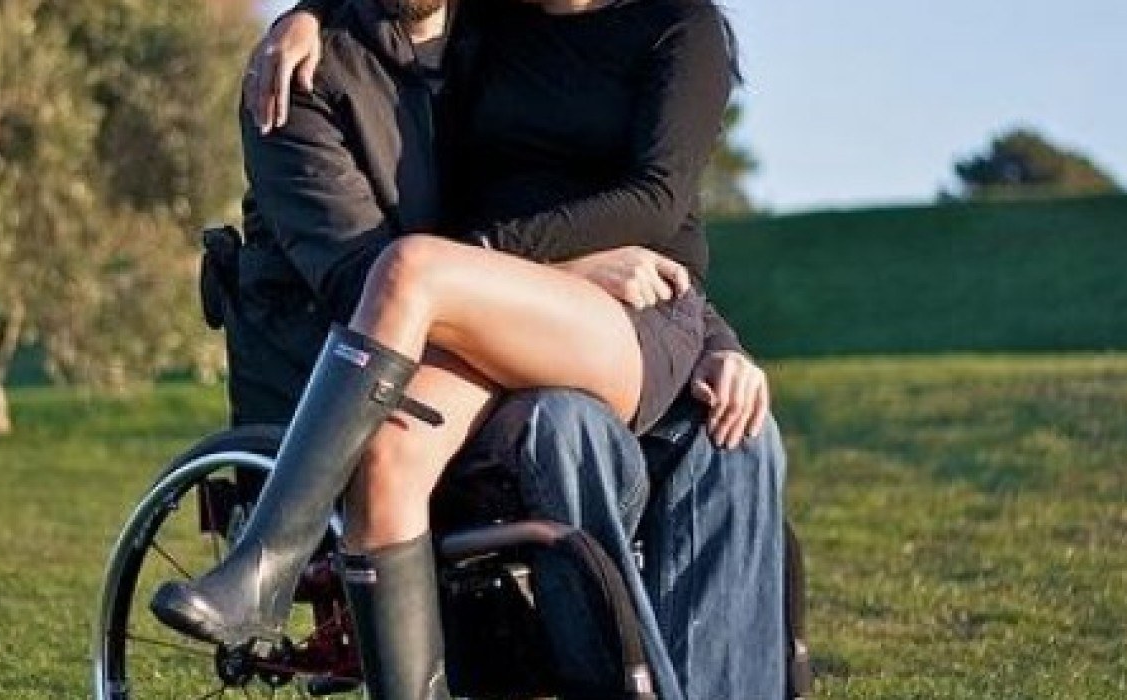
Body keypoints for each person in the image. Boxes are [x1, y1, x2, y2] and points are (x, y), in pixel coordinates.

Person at [162, 0, 793, 697]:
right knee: (388, 453)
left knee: (409, 267)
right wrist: (307, 14)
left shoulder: (679, 25)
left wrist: (486, 257)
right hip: (499, 308)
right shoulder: (498, 21)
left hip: (628, 310)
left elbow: (663, 204)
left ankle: (263, 563)